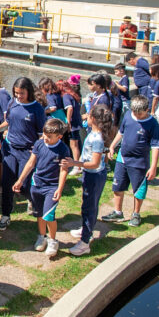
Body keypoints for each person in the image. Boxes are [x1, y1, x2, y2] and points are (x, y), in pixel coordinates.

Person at [0, 77, 47, 230]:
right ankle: (5, 215)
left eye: (21, 93)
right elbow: (9, 121)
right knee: (7, 183)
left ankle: (35, 203)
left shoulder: (37, 109)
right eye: (16, 93)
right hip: (10, 149)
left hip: (27, 151)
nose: (18, 96)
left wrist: (37, 152)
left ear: (29, 92)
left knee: (24, 185)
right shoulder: (13, 103)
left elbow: (41, 134)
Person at [61, 105, 116, 256]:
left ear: (94, 119)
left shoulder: (97, 138)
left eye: (88, 115)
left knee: (89, 207)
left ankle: (85, 242)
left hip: (93, 175)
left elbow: (95, 163)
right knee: (87, 205)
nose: (85, 117)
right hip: (91, 175)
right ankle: (86, 230)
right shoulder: (94, 133)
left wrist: (74, 163)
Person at [13, 118, 71, 258]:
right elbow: (31, 163)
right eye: (44, 134)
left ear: (59, 136)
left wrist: (60, 188)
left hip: (52, 187)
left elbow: (64, 171)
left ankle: (53, 241)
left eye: (49, 137)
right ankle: (42, 236)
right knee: (39, 214)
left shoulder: (63, 149)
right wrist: (20, 180)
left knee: (49, 215)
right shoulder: (39, 143)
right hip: (37, 185)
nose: (45, 138)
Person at [103, 95, 159, 227]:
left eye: (139, 113)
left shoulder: (153, 124)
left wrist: (153, 167)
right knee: (117, 186)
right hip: (122, 158)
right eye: (134, 112)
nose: (136, 115)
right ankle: (118, 212)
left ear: (147, 110)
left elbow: (156, 146)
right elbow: (121, 132)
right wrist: (112, 146)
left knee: (138, 190)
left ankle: (136, 214)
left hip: (139, 162)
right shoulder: (128, 115)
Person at [58, 79, 82, 172]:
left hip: (72, 124)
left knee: (74, 145)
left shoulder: (66, 96)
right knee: (76, 144)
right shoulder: (73, 95)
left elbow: (70, 108)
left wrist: (68, 122)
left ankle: (77, 167)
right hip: (77, 123)